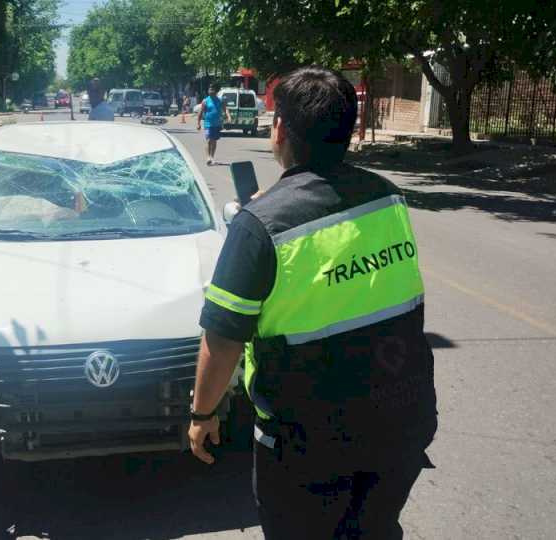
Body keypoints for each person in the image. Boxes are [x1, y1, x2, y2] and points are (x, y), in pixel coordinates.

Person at [188, 66, 437, 539]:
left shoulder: (258, 227)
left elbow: (221, 342)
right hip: (401, 418)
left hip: (309, 443)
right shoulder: (389, 198)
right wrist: (274, 205)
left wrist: (202, 415)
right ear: (348, 128)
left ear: (280, 129)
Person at [196, 83, 231, 165]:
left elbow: (225, 109)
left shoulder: (220, 100)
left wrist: (228, 117)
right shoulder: (205, 101)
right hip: (208, 123)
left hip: (217, 124)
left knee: (214, 141)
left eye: (212, 89)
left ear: (216, 91)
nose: (210, 91)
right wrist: (198, 123)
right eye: (209, 89)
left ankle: (212, 157)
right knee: (208, 140)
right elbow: (200, 112)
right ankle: (208, 157)